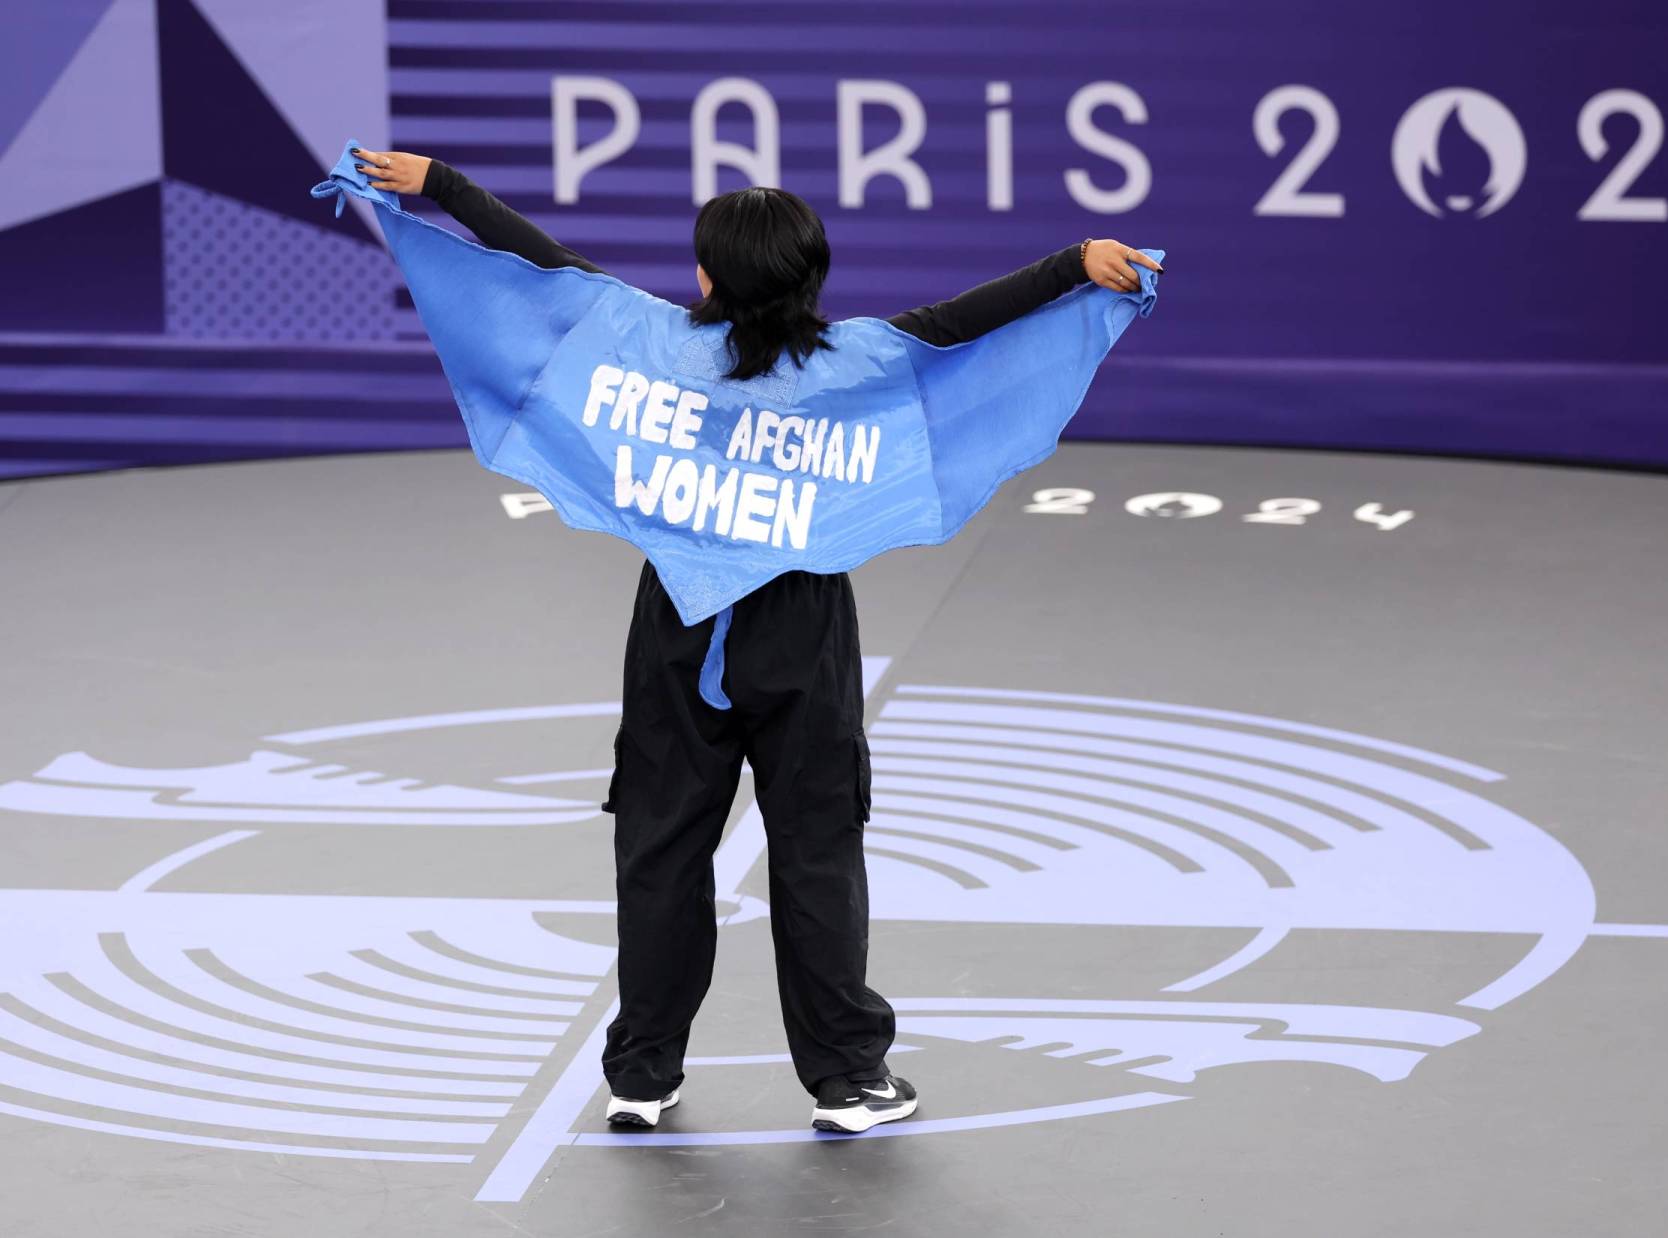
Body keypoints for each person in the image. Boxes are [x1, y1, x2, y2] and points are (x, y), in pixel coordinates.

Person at [350, 147, 1161, 1134]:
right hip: (802, 632)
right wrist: (1078, 263)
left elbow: (538, 268)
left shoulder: (643, 342)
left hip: (677, 635)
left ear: (703, 278)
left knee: (659, 851)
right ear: (812, 277)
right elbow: (968, 324)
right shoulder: (861, 361)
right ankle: (850, 1079)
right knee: (816, 854)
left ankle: (642, 1074)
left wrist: (438, 189)